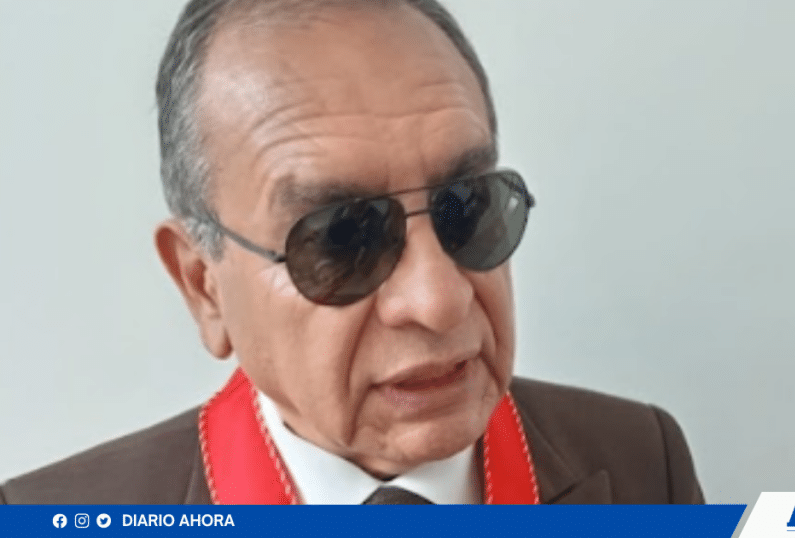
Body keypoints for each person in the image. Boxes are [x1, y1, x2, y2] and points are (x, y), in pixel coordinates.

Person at [0, 0, 703, 505]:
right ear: (203, 285)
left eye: (467, 206)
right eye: (341, 236)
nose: (439, 299)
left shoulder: (643, 464)